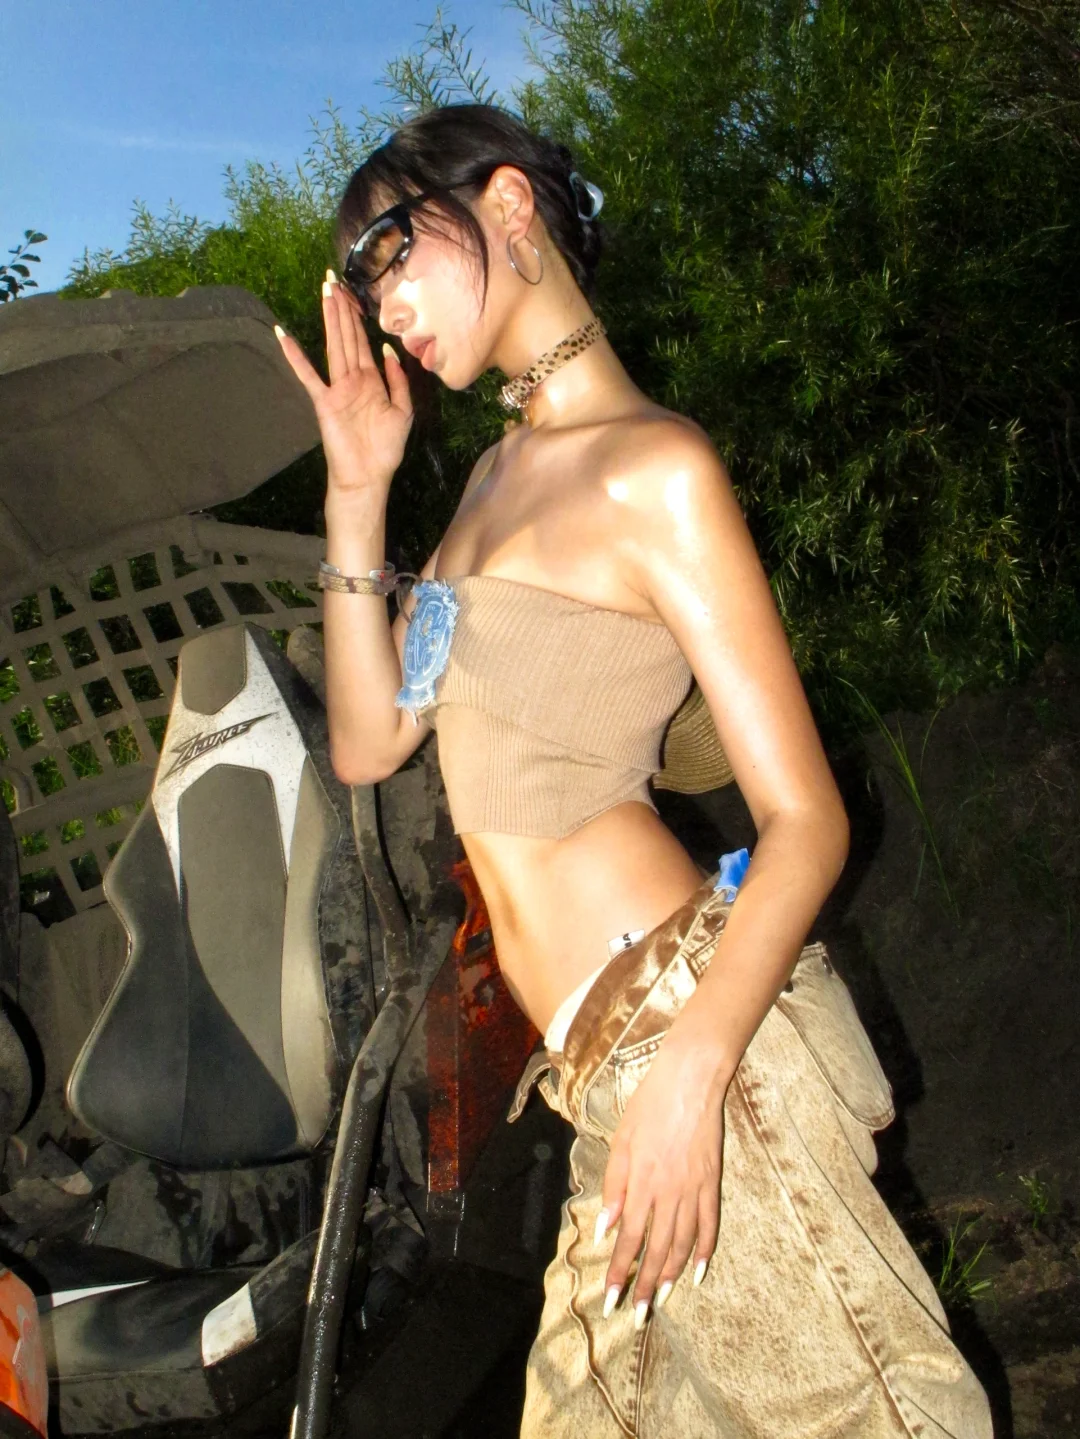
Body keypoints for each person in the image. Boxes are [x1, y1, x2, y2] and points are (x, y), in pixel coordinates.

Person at [276, 102, 992, 1439]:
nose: (384, 308)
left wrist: (695, 1075)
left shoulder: (653, 469)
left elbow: (806, 819)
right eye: (363, 286)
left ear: (506, 204)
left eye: (393, 251)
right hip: (598, 1075)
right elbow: (372, 739)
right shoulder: (489, 484)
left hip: (697, 1041)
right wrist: (356, 491)